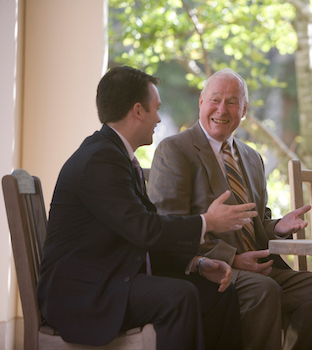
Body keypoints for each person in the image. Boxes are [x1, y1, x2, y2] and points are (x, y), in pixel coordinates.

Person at [37, 66, 257, 350]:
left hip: (112, 277)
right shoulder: (100, 159)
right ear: (138, 110)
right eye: (155, 109)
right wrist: (207, 222)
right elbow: (144, 230)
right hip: (83, 292)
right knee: (180, 296)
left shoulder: (118, 156)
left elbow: (141, 233)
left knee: (218, 292)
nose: (158, 118)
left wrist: (197, 264)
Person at [147, 68, 312, 350]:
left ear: (245, 109)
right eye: (215, 100)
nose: (222, 110)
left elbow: (258, 221)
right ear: (201, 101)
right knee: (265, 291)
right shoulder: (175, 150)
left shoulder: (251, 157)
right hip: (214, 267)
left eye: (232, 102)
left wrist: (279, 227)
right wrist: (234, 260)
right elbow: (171, 227)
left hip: (261, 266)